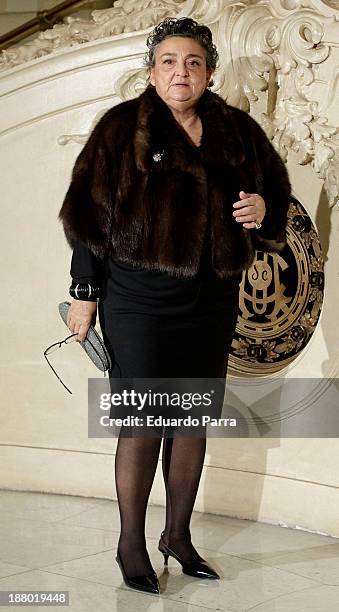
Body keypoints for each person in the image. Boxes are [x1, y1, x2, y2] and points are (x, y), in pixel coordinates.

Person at [58, 17, 292, 595]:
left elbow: (278, 195)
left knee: (190, 422)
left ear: (209, 70)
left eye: (193, 61)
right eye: (168, 61)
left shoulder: (237, 130)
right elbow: (86, 217)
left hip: (211, 300)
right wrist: (84, 293)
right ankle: (131, 543)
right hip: (137, 300)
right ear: (152, 70)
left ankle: (178, 536)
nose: (180, 71)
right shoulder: (120, 129)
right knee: (142, 422)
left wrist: (266, 209)